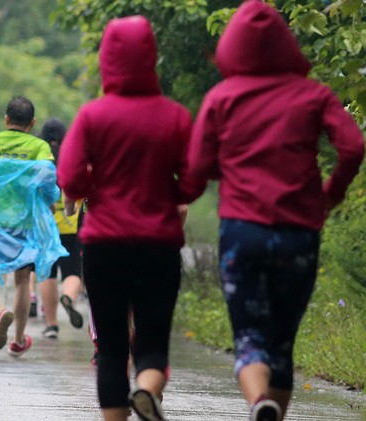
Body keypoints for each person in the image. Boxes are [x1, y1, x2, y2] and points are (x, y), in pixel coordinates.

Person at [187, 2, 365, 420]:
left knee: (249, 336)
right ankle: (271, 411)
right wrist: (332, 192)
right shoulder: (314, 94)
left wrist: (222, 170)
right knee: (282, 340)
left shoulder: (222, 98)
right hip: (298, 232)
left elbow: (196, 166)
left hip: (242, 231)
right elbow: (354, 146)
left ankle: (258, 403)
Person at [57, 17, 203, 421]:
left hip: (104, 246)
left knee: (112, 348)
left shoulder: (92, 116)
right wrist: (162, 192)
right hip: (158, 245)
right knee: (153, 339)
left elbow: (69, 179)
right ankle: (147, 388)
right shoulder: (174, 116)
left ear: (107, 61)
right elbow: (193, 180)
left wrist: (99, 184)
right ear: (151, 58)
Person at [0, 96, 60, 357]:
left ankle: (0, 311)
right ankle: (17, 339)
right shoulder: (39, 146)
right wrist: (51, 203)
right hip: (24, 220)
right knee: (21, 279)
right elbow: (48, 177)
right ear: (33, 122)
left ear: (6, 120)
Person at [38, 119, 85, 339]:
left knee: (48, 274)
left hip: (44, 226)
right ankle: (68, 296)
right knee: (73, 272)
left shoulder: (39, 162)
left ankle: (51, 325)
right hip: (71, 224)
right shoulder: (72, 160)